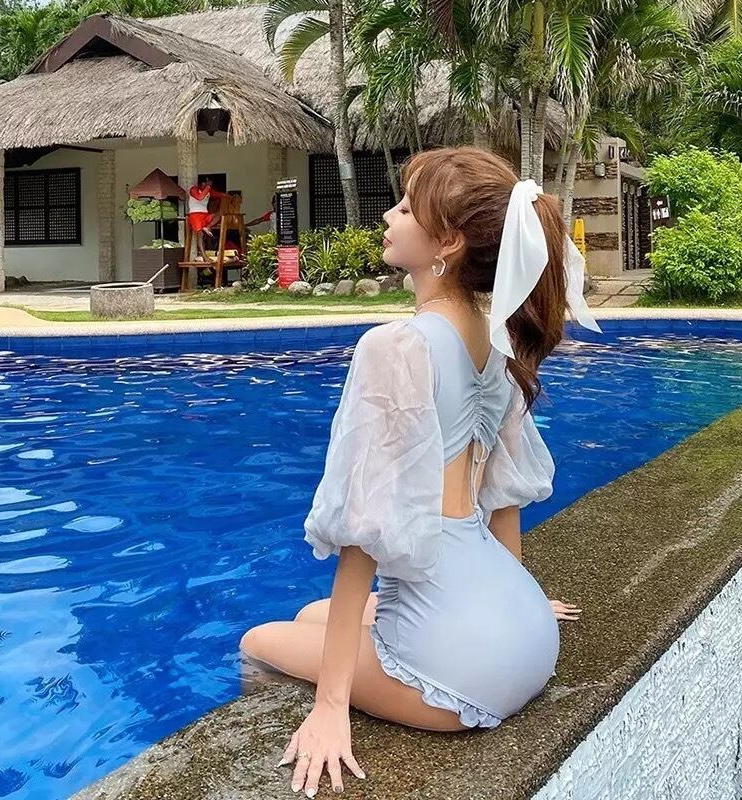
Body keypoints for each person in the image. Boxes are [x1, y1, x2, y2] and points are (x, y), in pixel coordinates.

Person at [239, 147, 600, 797]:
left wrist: (329, 709)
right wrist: (510, 593)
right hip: (529, 634)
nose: (389, 215)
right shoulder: (495, 339)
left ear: (448, 243)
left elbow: (364, 531)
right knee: (314, 613)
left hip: (460, 675)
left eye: (406, 208)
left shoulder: (396, 346)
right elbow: (505, 495)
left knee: (260, 639)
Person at [187, 177, 229, 260]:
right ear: (200, 183)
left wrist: (231, 196)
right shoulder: (193, 189)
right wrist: (208, 187)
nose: (206, 185)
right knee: (200, 235)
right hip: (195, 215)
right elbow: (200, 197)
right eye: (205, 183)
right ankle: (204, 256)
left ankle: (207, 227)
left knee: (220, 214)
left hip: (205, 215)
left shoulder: (208, 191)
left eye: (208, 183)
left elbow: (220, 194)